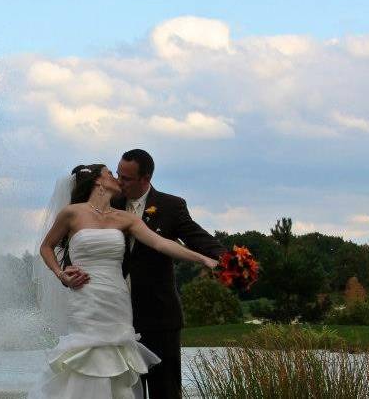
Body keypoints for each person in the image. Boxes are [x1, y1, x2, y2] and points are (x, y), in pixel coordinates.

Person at [28, 163, 218, 399]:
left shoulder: (124, 218)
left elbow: (161, 243)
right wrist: (60, 273)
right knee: (89, 354)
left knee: (116, 358)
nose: (116, 178)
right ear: (98, 181)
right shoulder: (72, 213)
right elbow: (46, 246)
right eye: (110, 173)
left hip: (116, 299)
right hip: (86, 296)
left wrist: (204, 259)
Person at [112, 149, 227, 399]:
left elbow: (197, 238)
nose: (119, 182)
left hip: (159, 316)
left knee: (165, 390)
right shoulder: (109, 203)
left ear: (146, 178)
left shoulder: (170, 206)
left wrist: (227, 261)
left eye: (127, 179)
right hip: (114, 316)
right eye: (118, 174)